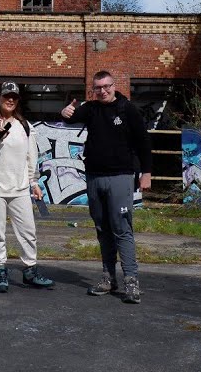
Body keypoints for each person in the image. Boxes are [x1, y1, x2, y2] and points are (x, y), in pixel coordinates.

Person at [61, 70, 152, 303]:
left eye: (106, 86)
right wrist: (65, 111)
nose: (102, 91)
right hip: (94, 177)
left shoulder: (127, 109)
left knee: (122, 228)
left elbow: (143, 142)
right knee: (102, 229)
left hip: (120, 176)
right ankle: (108, 278)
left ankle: (131, 281)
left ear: (114, 86)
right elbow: (70, 117)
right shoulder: (91, 109)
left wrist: (146, 173)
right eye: (97, 88)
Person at [0, 81, 55, 293]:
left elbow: (31, 158)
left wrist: (34, 183)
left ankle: (30, 270)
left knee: (28, 231)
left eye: (14, 96)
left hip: (20, 188)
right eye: (7, 96)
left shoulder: (25, 127)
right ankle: (0, 270)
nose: (10, 100)